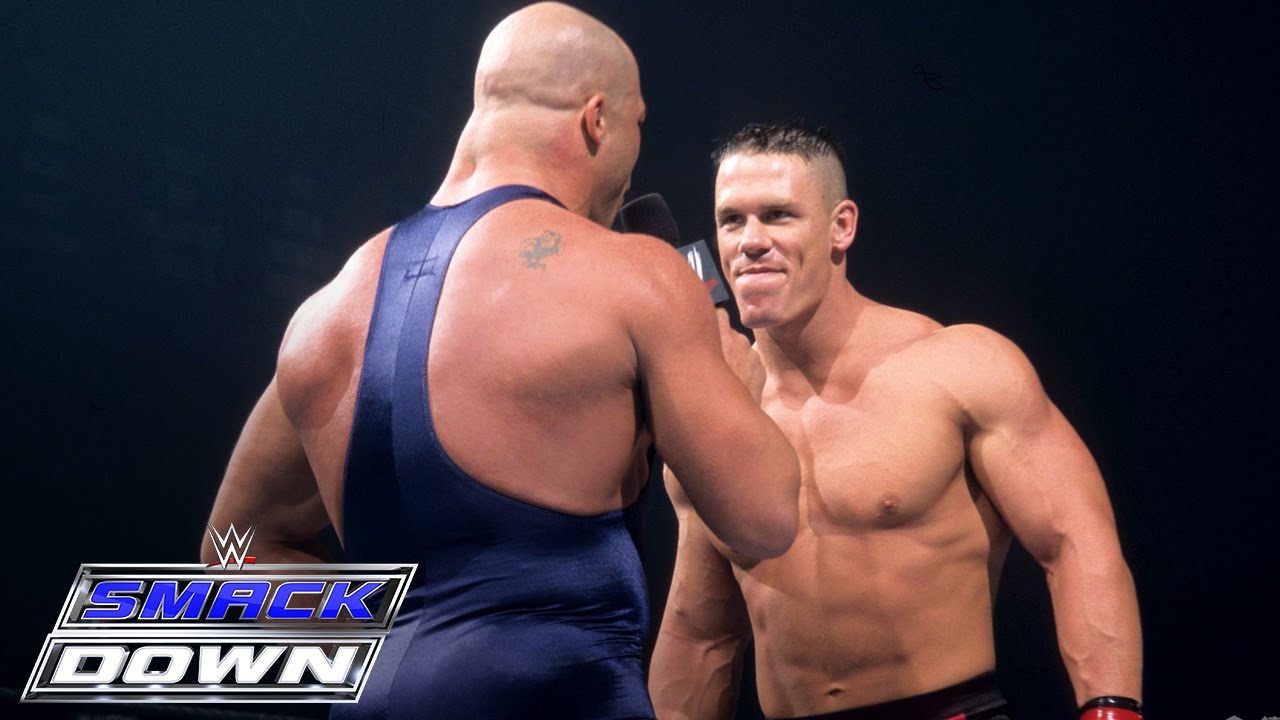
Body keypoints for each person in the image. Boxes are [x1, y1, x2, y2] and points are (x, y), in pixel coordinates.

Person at [200, 6, 801, 719]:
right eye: (638, 123)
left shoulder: (323, 314)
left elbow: (227, 554)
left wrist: (397, 643)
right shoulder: (634, 274)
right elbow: (764, 520)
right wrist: (736, 386)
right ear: (597, 120)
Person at [649, 121, 1143, 720]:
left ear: (841, 226)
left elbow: (1075, 542)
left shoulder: (958, 367)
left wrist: (1111, 710)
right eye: (732, 220)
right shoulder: (719, 422)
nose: (751, 241)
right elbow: (701, 635)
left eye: (778, 215)